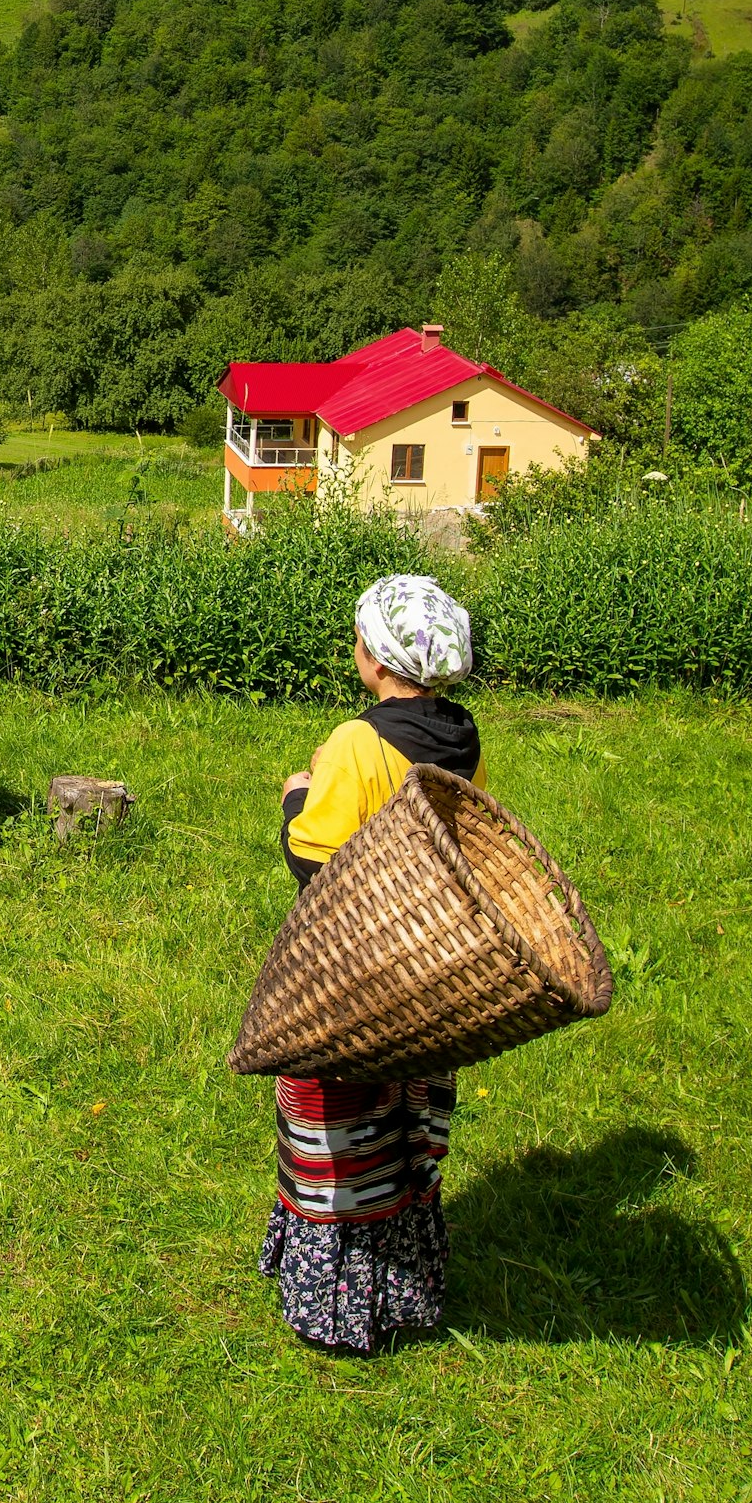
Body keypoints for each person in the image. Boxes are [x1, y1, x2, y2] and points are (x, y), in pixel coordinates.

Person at [258, 572, 480, 1353]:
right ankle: (404, 1282)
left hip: (351, 973)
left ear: (378, 661)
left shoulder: (358, 742)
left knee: (334, 1124)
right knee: (401, 1120)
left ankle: (335, 1299)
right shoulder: (464, 733)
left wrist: (298, 794)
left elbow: (315, 862)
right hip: (428, 967)